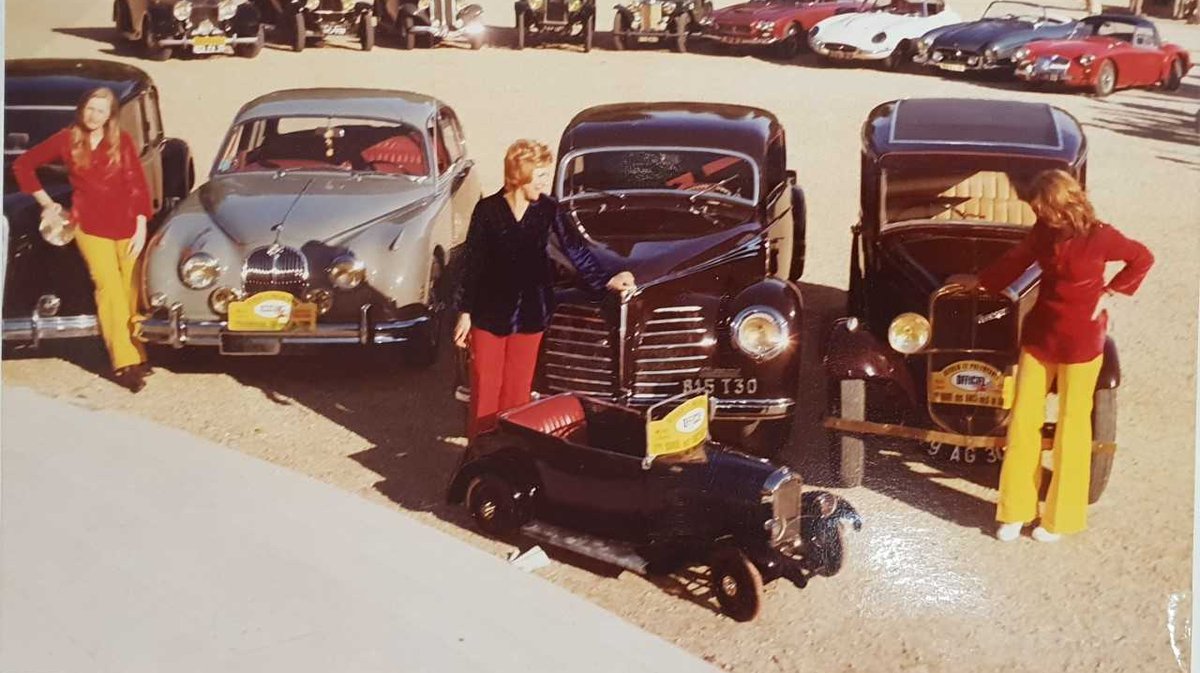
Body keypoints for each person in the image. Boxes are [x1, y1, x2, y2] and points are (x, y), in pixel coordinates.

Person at [961, 169, 1153, 542]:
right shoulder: (1044, 232)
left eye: (1044, 208)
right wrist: (981, 282)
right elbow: (1016, 259)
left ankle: (1058, 520)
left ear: (1063, 205)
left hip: (1082, 345)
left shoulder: (1102, 237)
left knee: (1072, 429)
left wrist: (1111, 291)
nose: (1040, 215)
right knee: (1022, 423)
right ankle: (1016, 511)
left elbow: (1142, 258)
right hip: (1040, 337)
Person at [453, 139, 636, 440]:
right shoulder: (487, 211)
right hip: (488, 315)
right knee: (486, 390)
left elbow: (576, 251)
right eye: (539, 176)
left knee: (517, 392)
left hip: (530, 315)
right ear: (520, 175)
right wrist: (465, 312)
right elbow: (472, 264)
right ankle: (481, 455)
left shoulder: (549, 209)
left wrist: (607, 279)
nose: (544, 183)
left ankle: (515, 455)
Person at [13, 88, 154, 393]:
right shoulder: (66, 139)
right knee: (108, 287)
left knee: (131, 289)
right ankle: (123, 363)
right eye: (90, 108)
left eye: (101, 111)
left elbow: (137, 185)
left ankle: (139, 353)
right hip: (89, 226)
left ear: (110, 116)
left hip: (127, 225)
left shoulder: (122, 141)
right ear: (82, 109)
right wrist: (47, 204)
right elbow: (23, 166)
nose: (94, 116)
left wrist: (141, 224)